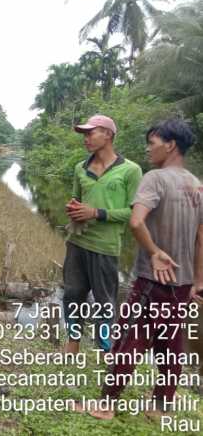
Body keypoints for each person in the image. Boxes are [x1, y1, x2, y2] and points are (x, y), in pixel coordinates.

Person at [81, 118, 203, 420]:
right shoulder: (197, 185)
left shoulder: (155, 179)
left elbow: (135, 221)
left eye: (152, 143)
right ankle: (161, 407)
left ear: (170, 144)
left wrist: (154, 252)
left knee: (128, 339)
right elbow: (201, 237)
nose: (148, 150)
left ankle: (106, 404)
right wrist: (198, 280)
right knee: (171, 343)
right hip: (182, 283)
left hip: (153, 279)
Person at [63, 115, 143, 354]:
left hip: (105, 247)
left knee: (105, 302)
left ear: (108, 134)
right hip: (77, 243)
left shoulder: (130, 171)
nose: (86, 138)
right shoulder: (80, 167)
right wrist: (73, 208)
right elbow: (76, 200)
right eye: (84, 134)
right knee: (72, 294)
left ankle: (105, 348)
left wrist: (97, 213)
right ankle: (72, 343)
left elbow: (133, 214)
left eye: (91, 133)